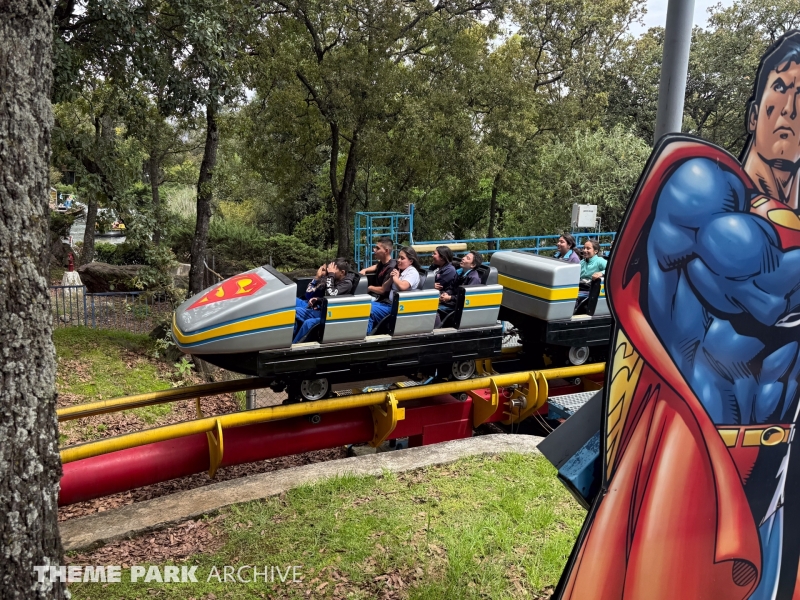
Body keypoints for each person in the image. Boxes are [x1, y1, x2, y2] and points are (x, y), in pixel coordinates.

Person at [558, 31, 800, 600]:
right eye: (780, 89)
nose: (791, 107)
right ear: (753, 112)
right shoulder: (700, 184)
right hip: (697, 464)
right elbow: (763, 289)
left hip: (781, 471)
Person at [293, 258, 356, 343]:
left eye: (334, 270)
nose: (330, 271)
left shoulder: (346, 284)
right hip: (321, 308)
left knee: (305, 320)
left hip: (330, 314)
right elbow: (314, 294)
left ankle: (295, 345)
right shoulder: (333, 279)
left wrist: (331, 275)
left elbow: (331, 295)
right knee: (294, 307)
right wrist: (318, 299)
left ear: (342, 272)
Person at [366, 247, 422, 334]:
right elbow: (385, 288)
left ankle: (365, 337)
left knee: (368, 310)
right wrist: (391, 279)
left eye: (402, 258)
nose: (399, 260)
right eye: (398, 257)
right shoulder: (400, 270)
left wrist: (395, 278)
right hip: (388, 303)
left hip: (398, 307)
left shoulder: (412, 272)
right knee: (362, 305)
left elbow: (403, 286)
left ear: (410, 261)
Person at [436, 250, 483, 327]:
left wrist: (450, 298)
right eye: (464, 256)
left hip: (457, 307)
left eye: (467, 258)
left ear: (473, 265)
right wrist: (447, 293)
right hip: (450, 302)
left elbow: (466, 298)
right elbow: (451, 287)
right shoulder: (460, 272)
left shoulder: (474, 278)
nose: (463, 258)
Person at [359, 237, 396, 303]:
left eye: (378, 248)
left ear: (386, 251)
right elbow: (376, 266)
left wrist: (370, 288)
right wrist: (365, 270)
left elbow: (383, 290)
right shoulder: (382, 262)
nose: (374, 250)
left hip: (382, 300)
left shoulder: (391, 267)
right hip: (374, 296)